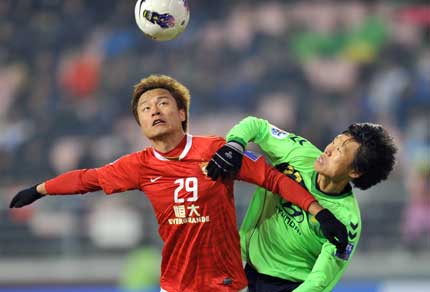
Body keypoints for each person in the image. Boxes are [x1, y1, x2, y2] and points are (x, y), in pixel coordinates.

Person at [9, 75, 347, 292]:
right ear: (140, 124)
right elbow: (88, 179)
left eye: (162, 103)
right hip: (175, 287)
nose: (154, 111)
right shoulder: (138, 166)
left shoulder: (216, 151)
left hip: (226, 284)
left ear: (182, 113)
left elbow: (271, 178)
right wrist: (39, 190)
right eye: (145, 109)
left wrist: (319, 212)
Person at [207, 116, 397, 292]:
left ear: (355, 172)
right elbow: (256, 126)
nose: (328, 150)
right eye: (334, 141)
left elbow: (319, 281)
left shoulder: (347, 222)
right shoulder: (298, 152)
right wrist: (235, 144)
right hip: (243, 268)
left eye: (339, 151)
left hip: (288, 286)